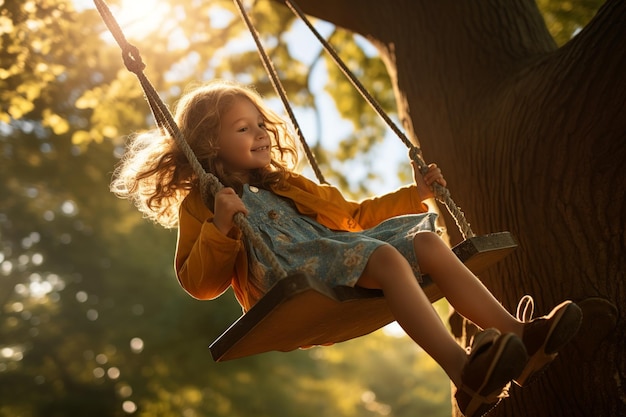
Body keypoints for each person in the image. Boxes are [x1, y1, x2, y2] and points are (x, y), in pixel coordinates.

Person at [111, 79, 582, 417]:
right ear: (208, 144)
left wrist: (415, 194)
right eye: (242, 128)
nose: (259, 134)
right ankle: (464, 375)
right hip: (292, 279)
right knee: (384, 257)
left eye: (259, 124)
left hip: (336, 250)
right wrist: (221, 226)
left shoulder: (285, 183)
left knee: (424, 241)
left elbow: (351, 217)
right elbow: (200, 284)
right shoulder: (204, 204)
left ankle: (520, 336)